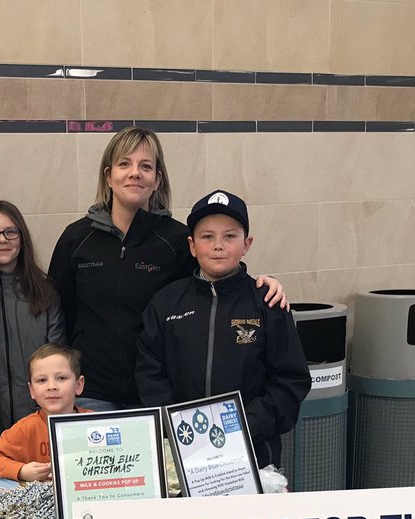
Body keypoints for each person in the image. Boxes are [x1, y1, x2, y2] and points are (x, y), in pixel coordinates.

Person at [48, 127, 288, 412]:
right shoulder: (76, 239)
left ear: (157, 179)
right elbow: (58, 313)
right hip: (91, 393)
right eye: (124, 164)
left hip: (158, 395)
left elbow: (213, 285)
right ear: (108, 175)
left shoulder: (176, 240)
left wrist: (262, 284)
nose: (135, 173)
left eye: (145, 166)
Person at [136, 190, 310, 469]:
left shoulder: (267, 303)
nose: (219, 245)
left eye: (230, 236)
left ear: (247, 244)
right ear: (192, 246)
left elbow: (290, 381)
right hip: (182, 452)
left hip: (253, 454)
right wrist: (177, 426)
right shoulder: (166, 303)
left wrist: (242, 426)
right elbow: (149, 372)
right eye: (207, 237)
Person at [0, 200, 65, 442]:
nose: (2, 240)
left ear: (22, 238)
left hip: (39, 422)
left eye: (11, 232)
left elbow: (58, 359)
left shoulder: (44, 292)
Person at [0, 343, 90, 482]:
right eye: (42, 380)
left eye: (61, 378)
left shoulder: (97, 423)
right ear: (32, 390)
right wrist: (21, 471)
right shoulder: (26, 428)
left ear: (78, 385)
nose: (52, 386)